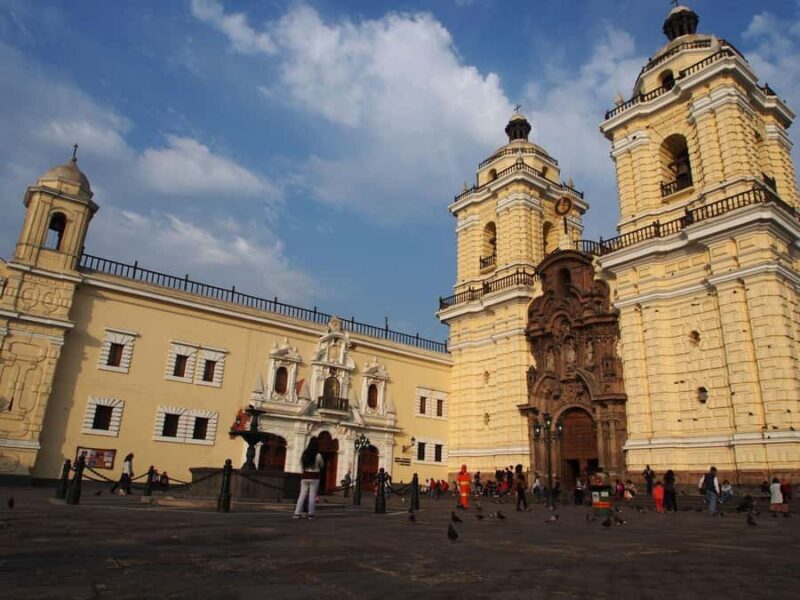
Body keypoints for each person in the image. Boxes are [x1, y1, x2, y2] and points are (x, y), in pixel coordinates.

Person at [293, 437, 324, 519]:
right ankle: (311, 514)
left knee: (302, 495)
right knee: (312, 496)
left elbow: (301, 463)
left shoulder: (305, 454)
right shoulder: (318, 455)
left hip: (305, 476)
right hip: (314, 477)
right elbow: (322, 465)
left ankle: (297, 513)